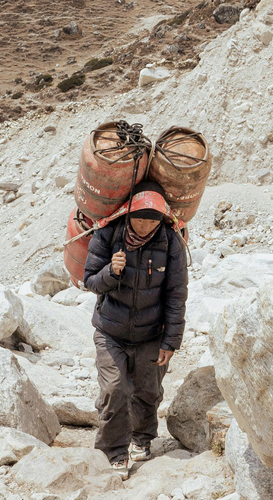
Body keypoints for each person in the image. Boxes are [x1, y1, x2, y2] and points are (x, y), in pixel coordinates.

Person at [83, 181, 188, 481]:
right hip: (110, 331)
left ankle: (141, 439)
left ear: (162, 219)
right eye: (139, 218)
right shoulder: (108, 233)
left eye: (151, 219)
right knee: (115, 388)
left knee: (147, 390)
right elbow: (89, 281)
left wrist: (171, 341)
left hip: (151, 333)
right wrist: (111, 272)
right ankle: (114, 452)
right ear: (128, 214)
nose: (144, 225)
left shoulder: (171, 241)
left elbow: (177, 293)